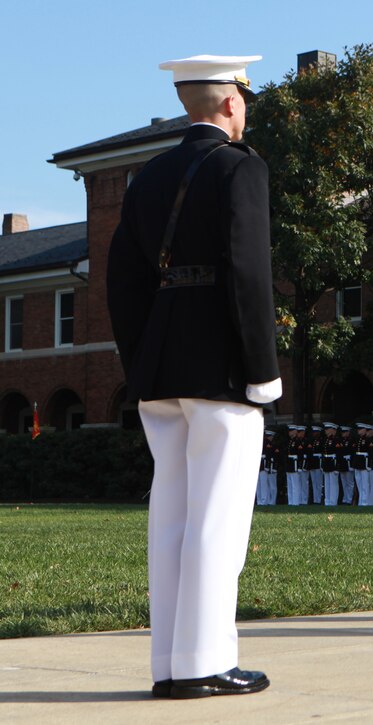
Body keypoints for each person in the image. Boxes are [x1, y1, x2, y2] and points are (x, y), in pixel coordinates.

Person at [106, 54, 277, 698]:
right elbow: (248, 272)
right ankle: (204, 662)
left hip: (160, 361)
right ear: (231, 102)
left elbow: (122, 280)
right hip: (220, 365)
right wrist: (262, 368)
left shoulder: (147, 175)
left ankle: (169, 663)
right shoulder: (242, 167)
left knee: (171, 516)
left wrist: (138, 362)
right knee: (218, 517)